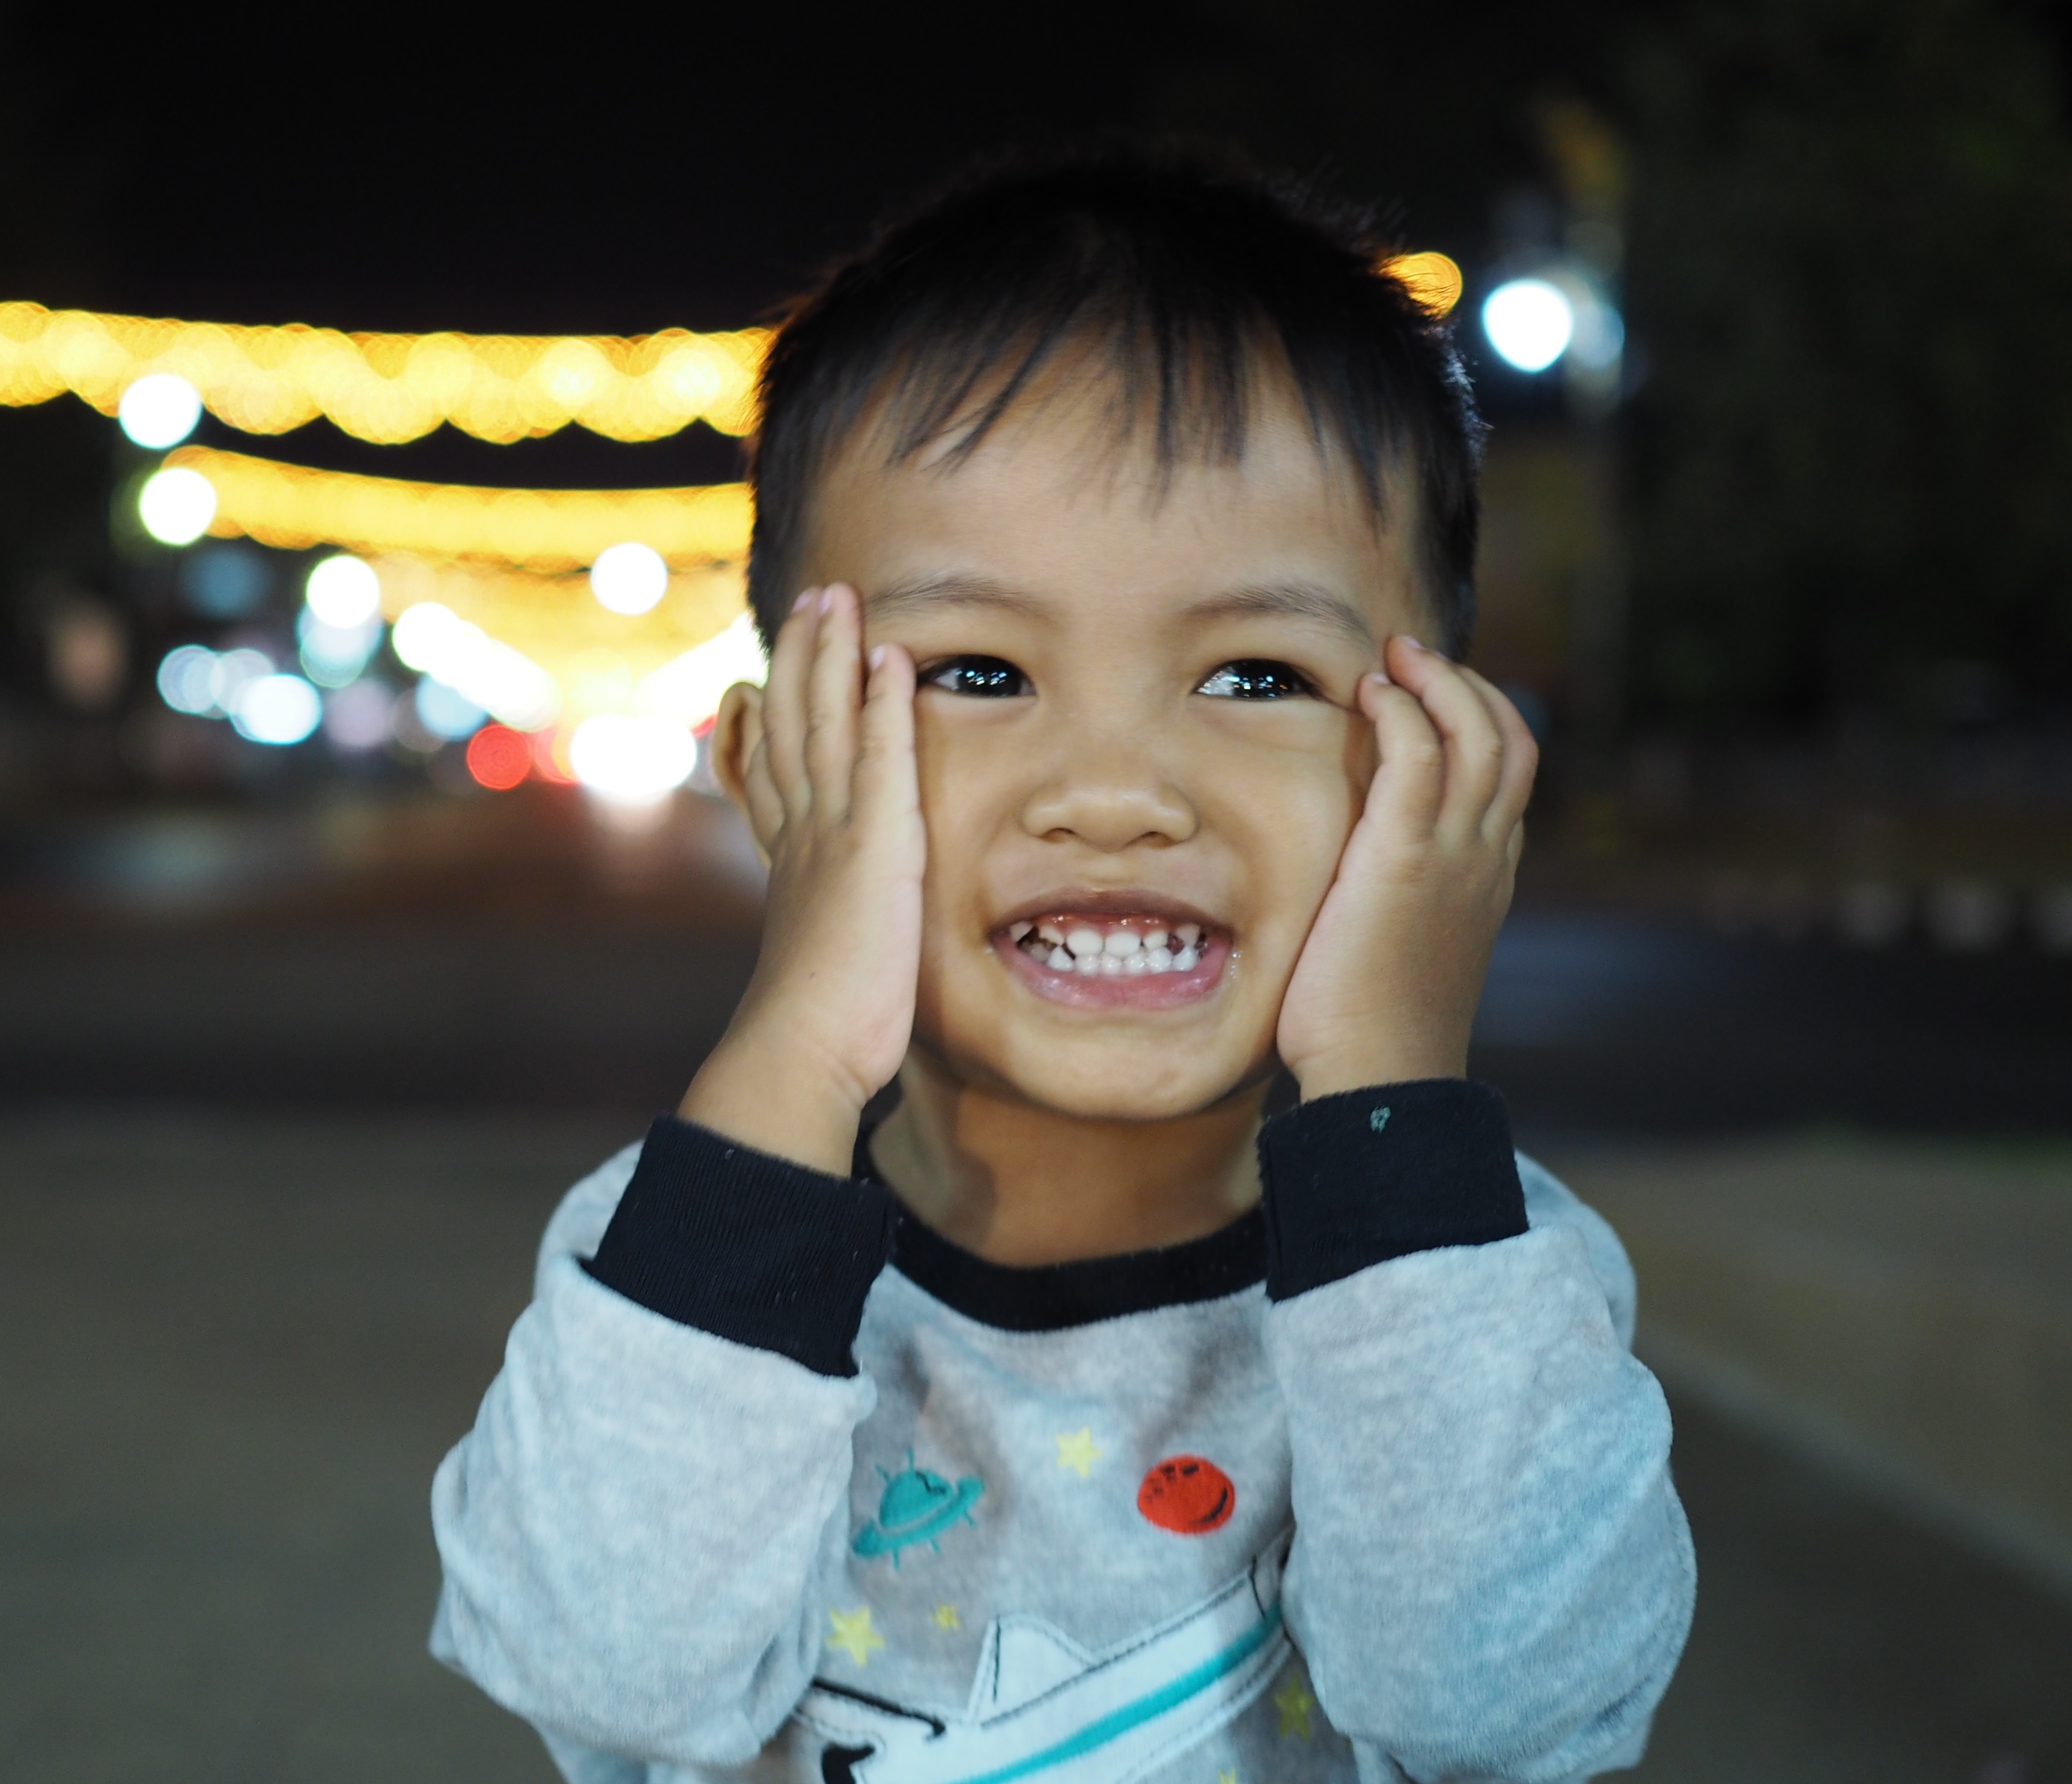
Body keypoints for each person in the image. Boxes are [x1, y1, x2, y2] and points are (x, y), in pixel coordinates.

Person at [430, 151, 1694, 1783]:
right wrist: (799, 1043)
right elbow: (601, 1670)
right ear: (776, 766)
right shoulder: (679, 1258)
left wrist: (1393, 1089)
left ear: (1439, 762)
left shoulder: (1475, 1276)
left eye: (1253, 675)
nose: (1115, 792)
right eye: (977, 668)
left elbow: (1509, 1709)